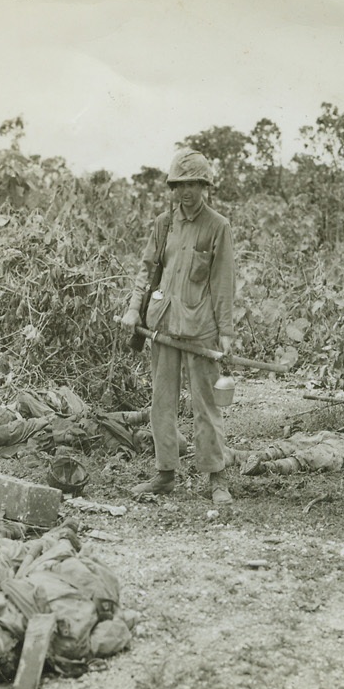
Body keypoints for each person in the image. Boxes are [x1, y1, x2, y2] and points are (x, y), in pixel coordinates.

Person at [119, 148, 237, 503]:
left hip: (201, 329)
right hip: (163, 325)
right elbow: (147, 270)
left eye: (193, 184)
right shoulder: (163, 224)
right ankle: (165, 473)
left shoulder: (218, 226)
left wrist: (227, 332)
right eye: (179, 185)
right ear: (172, 187)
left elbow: (223, 282)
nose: (186, 192)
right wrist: (132, 309)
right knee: (161, 402)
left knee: (206, 405)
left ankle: (216, 478)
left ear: (205, 186)